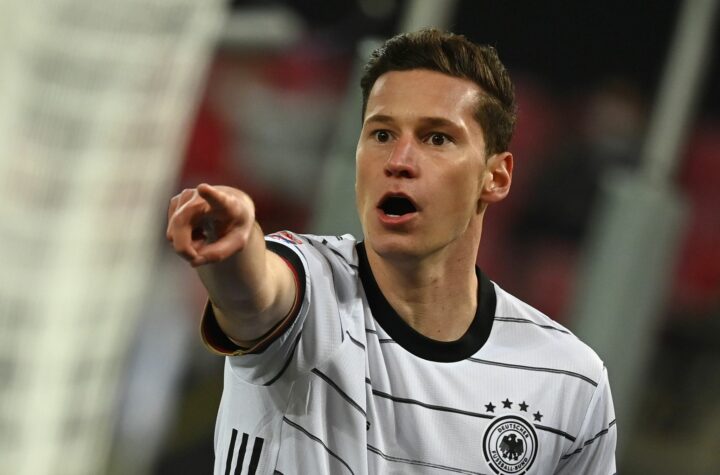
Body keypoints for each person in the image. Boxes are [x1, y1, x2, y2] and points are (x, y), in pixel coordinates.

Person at [166, 28, 617, 475]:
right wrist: (233, 248)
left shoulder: (570, 381)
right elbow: (257, 293)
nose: (398, 161)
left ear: (495, 177)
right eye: (381, 134)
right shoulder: (313, 290)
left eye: (437, 138)